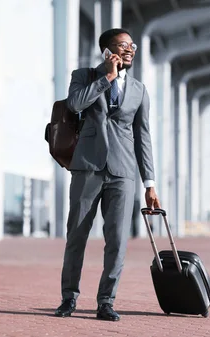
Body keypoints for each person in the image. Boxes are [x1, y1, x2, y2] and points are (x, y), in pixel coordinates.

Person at [53, 28, 161, 321]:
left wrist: (149, 183)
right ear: (107, 49)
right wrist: (107, 77)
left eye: (132, 46)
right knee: (76, 235)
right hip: (88, 167)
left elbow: (144, 137)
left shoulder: (139, 90)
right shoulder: (84, 76)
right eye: (123, 45)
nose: (130, 50)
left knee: (117, 241)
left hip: (123, 173)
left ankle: (105, 301)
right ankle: (68, 298)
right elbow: (75, 105)